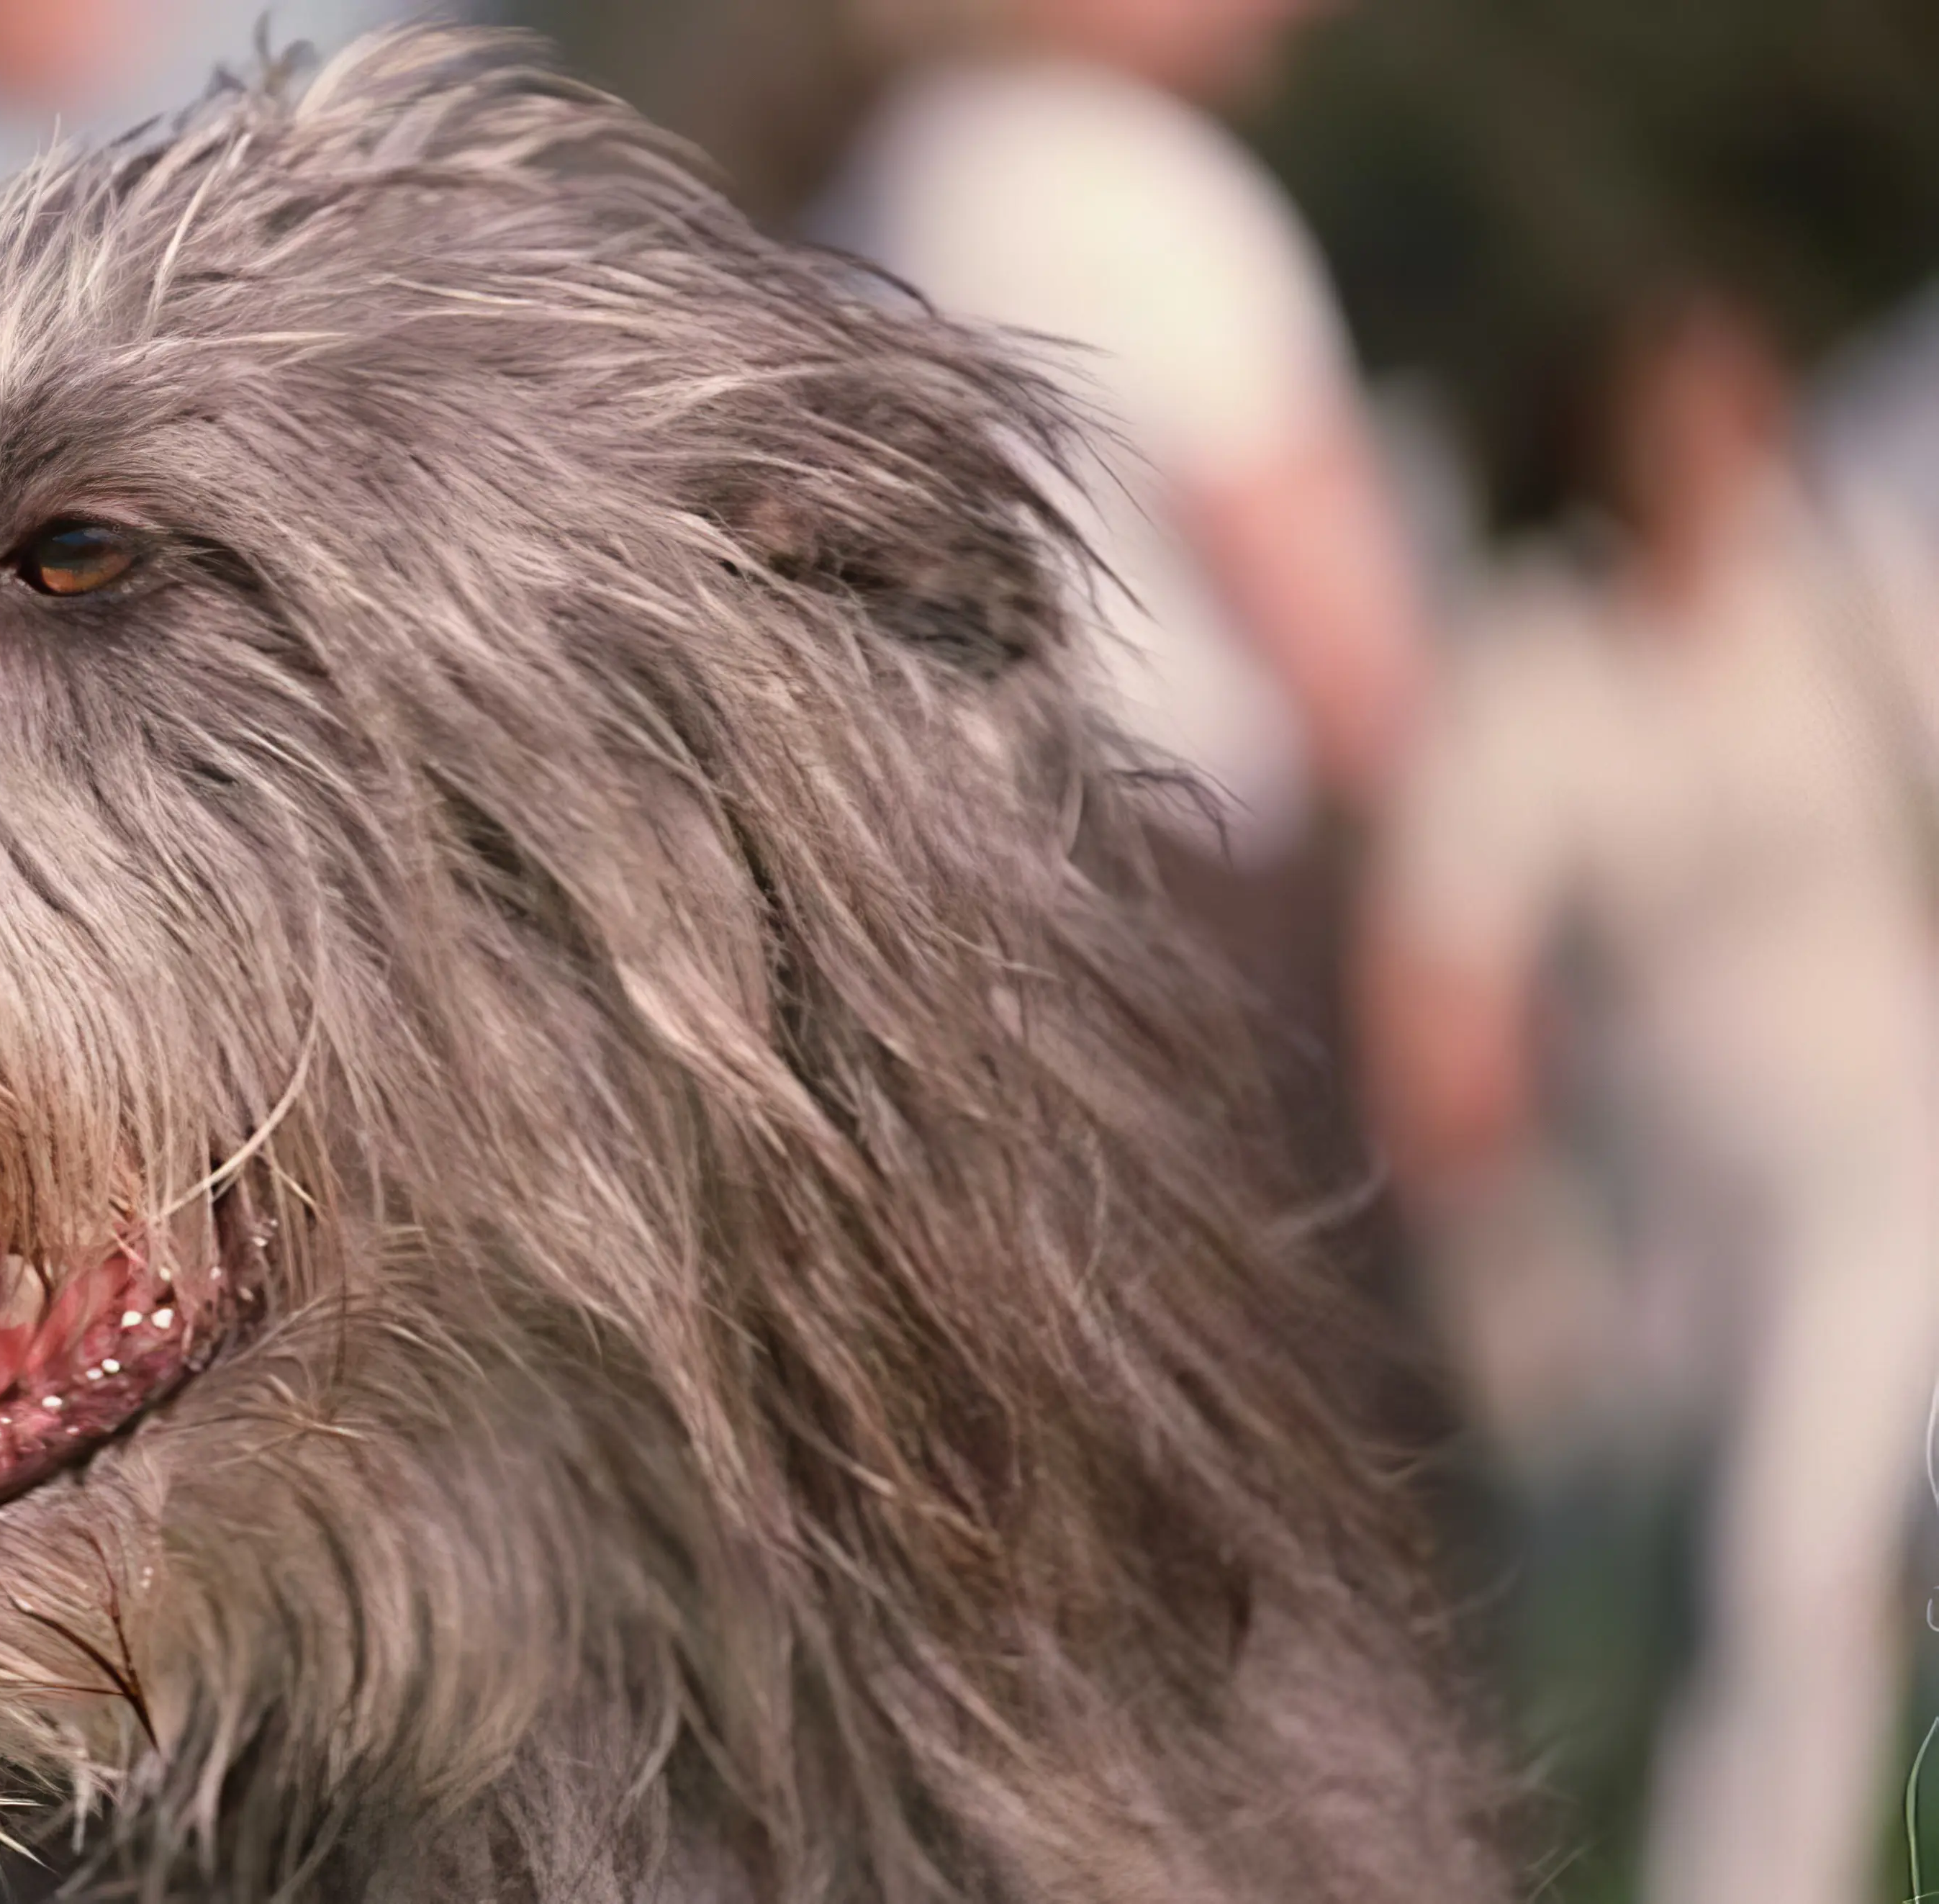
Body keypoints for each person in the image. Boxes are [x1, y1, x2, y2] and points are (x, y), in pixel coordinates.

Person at [1364, 283, 1939, 1904]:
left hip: (1881, 1157)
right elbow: (1443, 942)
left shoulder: (1856, 609)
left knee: (1792, 1561)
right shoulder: (1546, 658)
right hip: (1659, 1199)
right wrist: (1469, 1190)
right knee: (1606, 1602)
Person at [810, 0, 1429, 886]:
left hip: (911, 867)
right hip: (1159, 897)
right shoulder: (1141, 185)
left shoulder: (880, 179)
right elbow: (1348, 657)